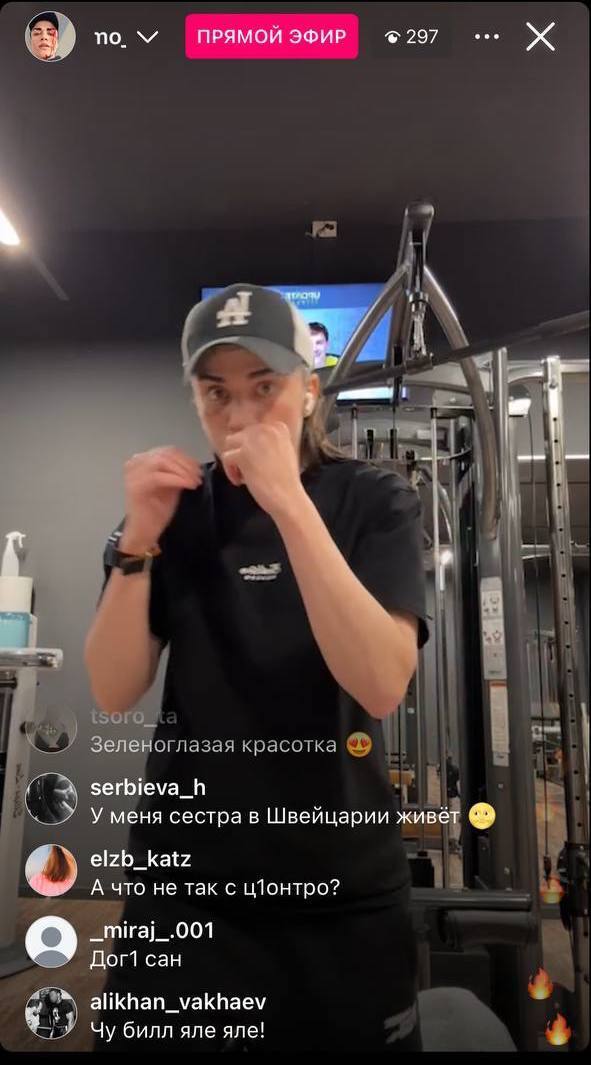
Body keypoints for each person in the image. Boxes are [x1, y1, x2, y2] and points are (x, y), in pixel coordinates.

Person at [85, 283, 430, 1053]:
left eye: (264, 386)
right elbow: (112, 688)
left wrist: (287, 503)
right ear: (196, 399)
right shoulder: (173, 510)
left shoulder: (374, 499)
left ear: (308, 391)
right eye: (216, 392)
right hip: (186, 891)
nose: (239, 414)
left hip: (337, 889)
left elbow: (380, 683)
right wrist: (137, 539)